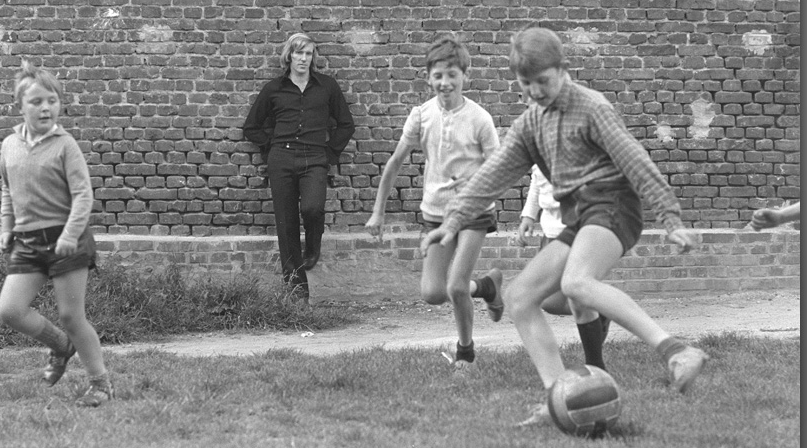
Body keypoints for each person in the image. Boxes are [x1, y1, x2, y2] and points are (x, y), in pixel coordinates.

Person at [421, 27, 709, 426]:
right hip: (579, 214)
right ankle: (560, 398)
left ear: (562, 70)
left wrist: (670, 218)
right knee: (520, 296)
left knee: (576, 283)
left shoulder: (591, 107)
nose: (535, 90)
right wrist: (452, 221)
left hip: (612, 204)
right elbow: (492, 174)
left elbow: (635, 160)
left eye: (543, 81)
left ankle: (677, 351)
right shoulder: (529, 124)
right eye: (527, 83)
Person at [365, 35, 505, 373]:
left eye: (452, 74)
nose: (445, 82)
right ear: (429, 77)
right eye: (438, 75)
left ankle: (466, 353)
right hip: (435, 213)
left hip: (473, 211)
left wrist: (475, 182)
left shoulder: (479, 119)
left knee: (456, 285)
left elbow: (500, 166)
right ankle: (487, 286)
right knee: (432, 293)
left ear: (465, 76)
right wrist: (378, 212)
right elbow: (395, 162)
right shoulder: (421, 116)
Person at [0, 60, 113, 407]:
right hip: (28, 241)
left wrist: (68, 235)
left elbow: (83, 196)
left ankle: (101, 384)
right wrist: (6, 229)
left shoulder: (66, 145)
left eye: (52, 100)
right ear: (20, 106)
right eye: (36, 102)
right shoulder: (9, 145)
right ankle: (61, 346)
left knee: (71, 316)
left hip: (69, 241)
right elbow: (7, 189)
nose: (45, 107)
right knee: (10, 311)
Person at [244, 33, 356, 302]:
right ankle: (297, 291)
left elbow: (346, 124)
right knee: (286, 223)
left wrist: (329, 153)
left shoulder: (327, 87)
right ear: (289, 56)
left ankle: (314, 243)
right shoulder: (274, 89)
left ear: (313, 57)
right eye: (298, 53)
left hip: (315, 158)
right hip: (281, 159)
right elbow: (251, 127)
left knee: (312, 208)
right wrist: (270, 147)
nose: (303, 58)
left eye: (308, 53)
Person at [518, 164, 612, 370]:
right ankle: (602, 308)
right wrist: (528, 215)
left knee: (578, 297)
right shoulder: (536, 139)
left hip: (580, 230)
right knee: (549, 302)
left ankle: (595, 366)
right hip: (551, 232)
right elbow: (537, 180)